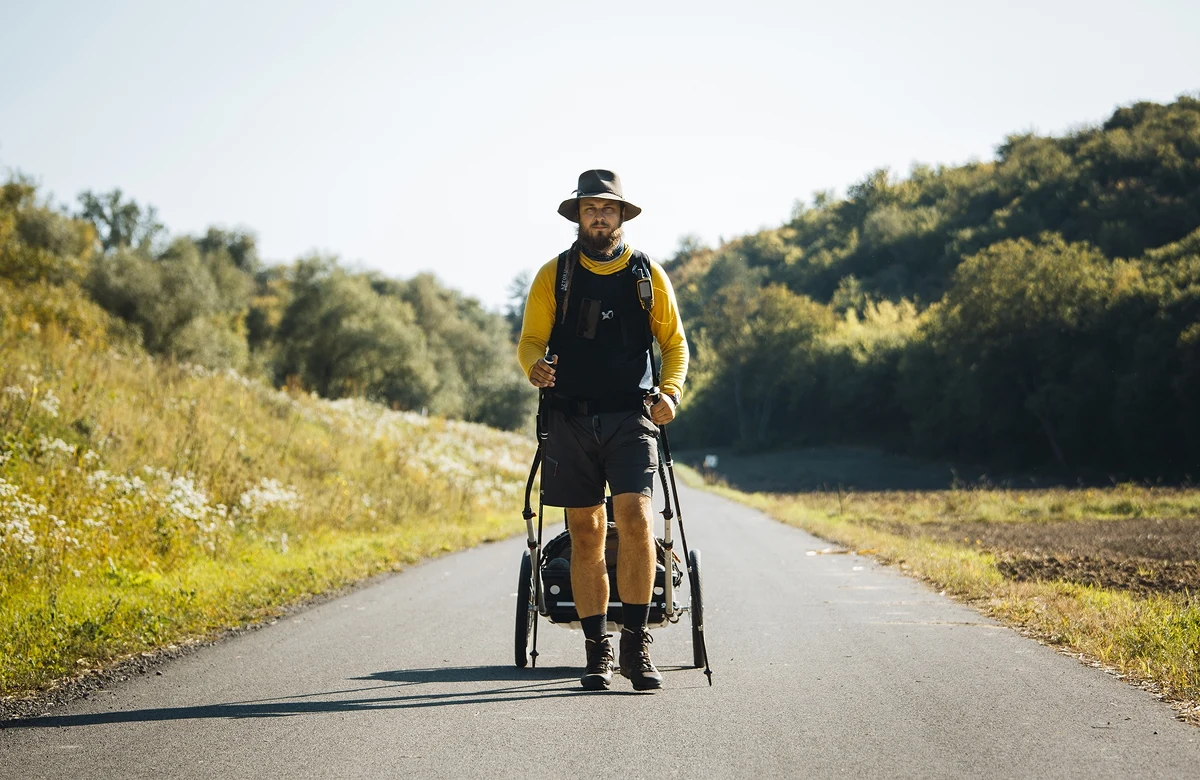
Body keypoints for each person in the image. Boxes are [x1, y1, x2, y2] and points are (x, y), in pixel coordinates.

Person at [517, 169, 689, 691]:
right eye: (591, 208)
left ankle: (636, 646)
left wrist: (671, 394)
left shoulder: (648, 275)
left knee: (635, 519)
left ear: (621, 215)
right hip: (568, 416)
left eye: (608, 208)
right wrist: (534, 368)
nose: (599, 215)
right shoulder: (555, 275)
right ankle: (598, 649)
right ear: (578, 215)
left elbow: (674, 346)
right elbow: (530, 341)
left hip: (630, 416)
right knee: (586, 532)